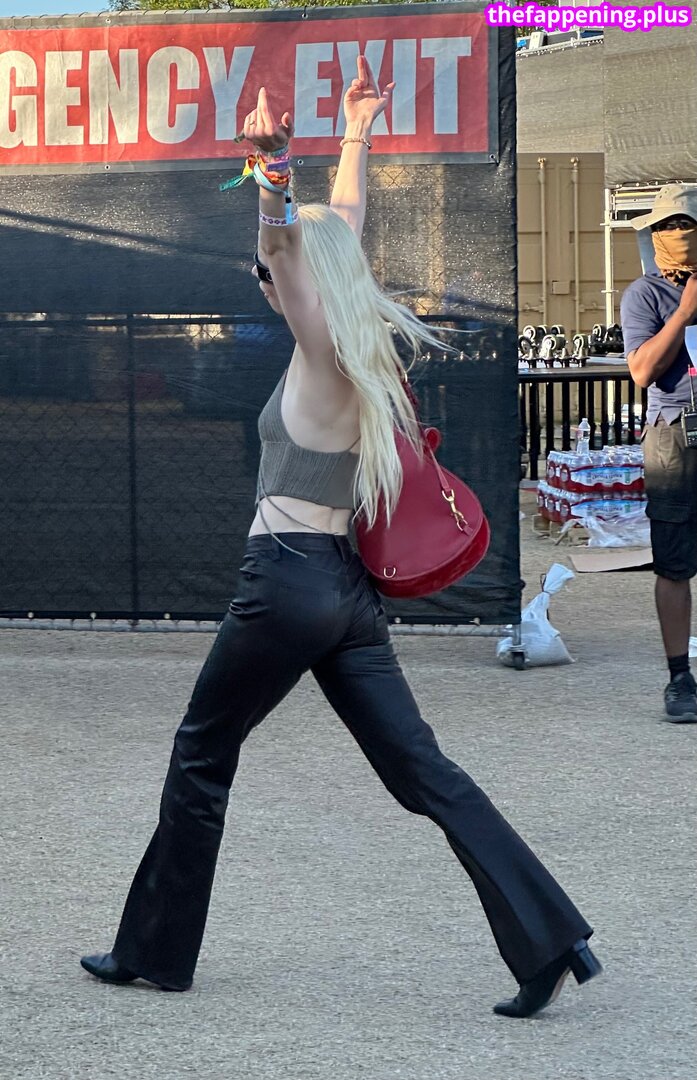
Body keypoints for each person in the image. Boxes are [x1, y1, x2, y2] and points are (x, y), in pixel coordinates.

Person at [81, 58, 602, 1018]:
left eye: (268, 277)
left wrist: (273, 173)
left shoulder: (322, 351)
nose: (261, 284)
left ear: (300, 283)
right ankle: (550, 939)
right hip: (344, 598)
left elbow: (289, 245)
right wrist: (355, 131)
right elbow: (339, 231)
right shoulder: (351, 347)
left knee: (201, 753)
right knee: (422, 772)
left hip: (284, 583)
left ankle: (152, 953)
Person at [621, 184, 697, 723]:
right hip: (674, 436)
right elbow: (642, 370)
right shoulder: (644, 295)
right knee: (673, 563)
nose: (675, 235)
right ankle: (679, 678)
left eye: (685, 224)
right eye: (665, 227)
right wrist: (684, 312)